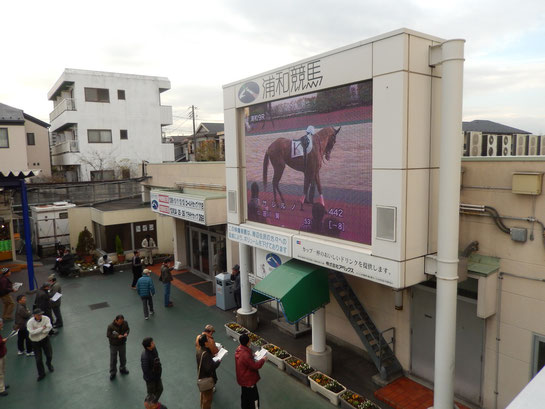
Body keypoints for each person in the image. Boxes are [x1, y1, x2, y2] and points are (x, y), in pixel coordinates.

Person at [235, 333, 267, 409]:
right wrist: (263, 359)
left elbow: (246, 358)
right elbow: (255, 366)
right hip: (249, 381)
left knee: (245, 398)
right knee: (254, 400)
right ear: (248, 342)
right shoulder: (245, 355)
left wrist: (252, 356)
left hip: (243, 381)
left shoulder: (239, 349)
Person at [27, 308, 54, 381]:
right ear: (34, 315)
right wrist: (42, 328)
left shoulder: (46, 318)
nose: (40, 316)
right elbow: (32, 332)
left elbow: (49, 327)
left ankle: (48, 364)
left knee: (49, 355)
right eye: (38, 315)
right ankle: (41, 374)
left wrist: (40, 331)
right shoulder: (30, 322)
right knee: (38, 359)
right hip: (35, 342)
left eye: (41, 314)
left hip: (45, 339)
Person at [196, 334, 220, 409]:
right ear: (205, 343)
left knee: (203, 397)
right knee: (207, 400)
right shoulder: (205, 354)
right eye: (208, 340)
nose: (209, 341)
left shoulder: (200, 351)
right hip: (206, 379)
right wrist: (218, 361)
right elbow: (209, 368)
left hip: (201, 376)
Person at [106, 314, 130, 380]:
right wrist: (117, 336)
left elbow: (128, 329)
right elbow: (108, 335)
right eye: (119, 322)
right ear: (116, 320)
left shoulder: (125, 323)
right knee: (113, 359)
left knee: (123, 358)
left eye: (122, 321)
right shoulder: (110, 326)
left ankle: (122, 368)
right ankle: (113, 372)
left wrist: (126, 333)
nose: (121, 323)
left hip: (122, 344)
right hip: (114, 345)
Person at [0, 319, 8, 396]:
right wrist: (3, 341)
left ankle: (2, 385)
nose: (2, 325)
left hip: (2, 354)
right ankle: (1, 389)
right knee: (0, 373)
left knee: (2, 371)